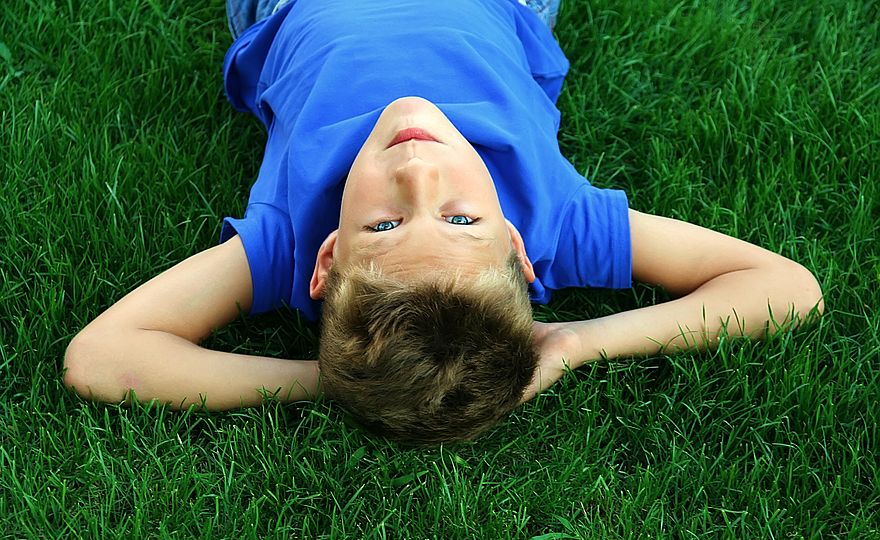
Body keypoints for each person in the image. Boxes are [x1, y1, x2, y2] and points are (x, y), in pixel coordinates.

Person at [63, 0, 825, 445]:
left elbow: (99, 356)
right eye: (463, 216)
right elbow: (787, 287)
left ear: (327, 261)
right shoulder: (555, 220)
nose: (418, 171)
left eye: (384, 227)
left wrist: (325, 382)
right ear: (516, 247)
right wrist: (577, 343)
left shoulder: (286, 244)